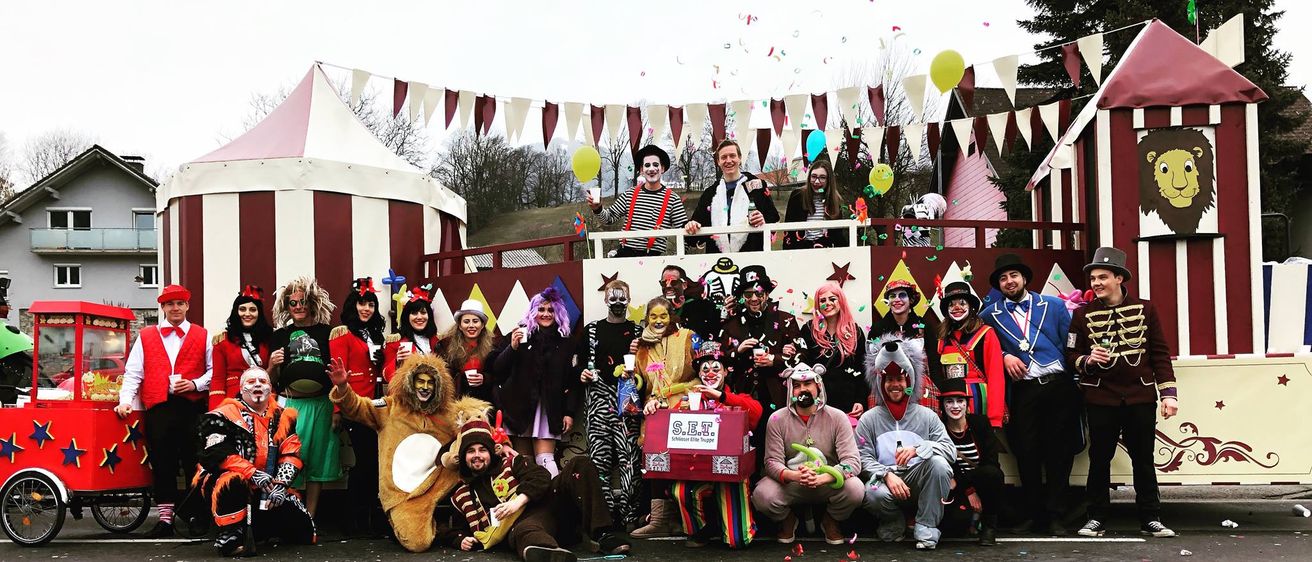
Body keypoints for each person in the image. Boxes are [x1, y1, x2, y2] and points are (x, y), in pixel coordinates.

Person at [1068, 247, 1179, 539]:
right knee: (1099, 458)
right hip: (1100, 397)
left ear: (1119, 278)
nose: (1096, 283)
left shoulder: (1147, 309)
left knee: (1143, 459)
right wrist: (1088, 361)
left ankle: (1151, 517)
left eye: (1102, 277)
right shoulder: (1081, 315)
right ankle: (1096, 518)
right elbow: (1071, 354)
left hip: (1140, 396)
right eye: (1093, 278)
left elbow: (1159, 354)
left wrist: (1169, 393)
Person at [329, 354, 490, 552]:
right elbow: (358, 407)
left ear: (439, 386)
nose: (425, 387)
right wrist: (343, 388)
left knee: (476, 459)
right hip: (405, 494)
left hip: (441, 480)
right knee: (418, 544)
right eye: (420, 381)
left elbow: (478, 423)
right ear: (409, 383)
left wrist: (503, 444)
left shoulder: (447, 413)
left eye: (431, 382)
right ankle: (439, 531)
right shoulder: (390, 408)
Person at [980, 254, 1081, 536]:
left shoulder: (1054, 306)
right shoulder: (989, 315)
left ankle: (1056, 515)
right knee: (1026, 453)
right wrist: (1003, 356)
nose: (1009, 281)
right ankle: (1034, 515)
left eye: (1013, 275)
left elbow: (1069, 346)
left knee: (1059, 453)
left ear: (1024, 278)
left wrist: (1075, 383)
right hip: (1023, 391)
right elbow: (983, 347)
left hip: (1058, 386)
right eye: (1003, 278)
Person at [436, 417, 631, 561]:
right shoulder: (461, 494)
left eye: (482, 450)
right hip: (522, 528)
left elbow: (541, 477)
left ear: (491, 451)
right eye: (470, 451)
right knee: (527, 528)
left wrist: (517, 502)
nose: (477, 455)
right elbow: (451, 528)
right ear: (463, 457)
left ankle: (602, 534)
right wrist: (459, 539)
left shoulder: (512, 462)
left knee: (580, 464)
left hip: (550, 507)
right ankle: (548, 553)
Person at [115, 284, 213, 538]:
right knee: (162, 464)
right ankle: (166, 521)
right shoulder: (146, 335)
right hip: (159, 408)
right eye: (170, 304)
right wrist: (125, 400)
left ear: (187, 306)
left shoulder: (202, 335)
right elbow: (134, 372)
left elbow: (214, 372)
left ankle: (196, 516)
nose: (175, 308)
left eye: (180, 303)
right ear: (163, 308)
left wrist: (194, 384)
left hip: (191, 407)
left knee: (194, 462)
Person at [193, 367, 315, 556]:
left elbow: (291, 453)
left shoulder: (282, 416)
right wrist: (252, 473)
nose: (257, 384)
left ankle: (261, 527)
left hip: (267, 485)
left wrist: (281, 485)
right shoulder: (221, 415)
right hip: (226, 483)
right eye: (251, 382)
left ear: (270, 388)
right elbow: (215, 453)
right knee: (232, 480)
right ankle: (229, 537)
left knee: (305, 533)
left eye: (263, 381)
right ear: (242, 389)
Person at [856, 335, 955, 550]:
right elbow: (862, 457)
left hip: (919, 482)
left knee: (939, 464)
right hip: (888, 485)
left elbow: (949, 450)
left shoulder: (927, 416)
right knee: (873, 491)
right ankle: (894, 522)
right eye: (889, 380)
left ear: (909, 382)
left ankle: (926, 526)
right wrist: (886, 474)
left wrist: (919, 449)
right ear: (881, 383)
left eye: (900, 379)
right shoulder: (869, 418)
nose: (895, 385)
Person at [751, 363, 864, 545]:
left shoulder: (837, 417)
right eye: (796, 385)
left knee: (856, 489)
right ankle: (788, 520)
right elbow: (771, 461)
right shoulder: (776, 419)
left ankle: (830, 520)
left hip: (828, 482)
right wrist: (794, 475)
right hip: (792, 482)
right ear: (790, 391)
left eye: (807, 384)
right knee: (762, 495)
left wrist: (826, 477)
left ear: (818, 386)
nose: (802, 389)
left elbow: (852, 461)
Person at [669, 341, 763, 549]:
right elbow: (670, 422)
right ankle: (701, 530)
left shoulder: (738, 398)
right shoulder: (690, 400)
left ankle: (733, 527)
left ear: (725, 372)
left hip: (730, 473)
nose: (710, 373)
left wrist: (722, 397)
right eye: (705, 369)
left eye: (715, 368)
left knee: (738, 542)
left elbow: (756, 412)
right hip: (698, 472)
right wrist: (654, 405)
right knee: (680, 490)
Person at [268, 276, 338, 517]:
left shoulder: (328, 333)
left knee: (317, 461)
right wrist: (271, 365)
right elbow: (271, 379)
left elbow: (337, 372)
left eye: (303, 301)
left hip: (321, 404)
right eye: (292, 303)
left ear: (312, 303)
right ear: (286, 306)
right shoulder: (279, 335)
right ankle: (291, 514)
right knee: (289, 457)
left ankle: (310, 517)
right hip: (290, 404)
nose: (298, 307)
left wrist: (338, 409)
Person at [575, 280, 642, 528]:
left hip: (628, 399)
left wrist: (641, 351)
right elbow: (578, 365)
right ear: (605, 300)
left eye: (622, 298)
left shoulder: (639, 332)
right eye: (612, 298)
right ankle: (602, 517)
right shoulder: (591, 331)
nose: (617, 303)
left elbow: (651, 368)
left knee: (630, 460)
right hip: (598, 399)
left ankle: (630, 516)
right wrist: (581, 374)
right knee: (598, 460)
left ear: (629, 299)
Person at [630, 295, 696, 538]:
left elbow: (703, 371)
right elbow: (640, 383)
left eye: (663, 316)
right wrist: (629, 374)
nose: (658, 321)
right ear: (647, 318)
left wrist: (685, 395)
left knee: (684, 461)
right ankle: (658, 520)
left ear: (671, 317)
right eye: (653, 316)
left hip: (686, 405)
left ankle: (686, 519)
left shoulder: (688, 337)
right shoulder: (641, 347)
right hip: (654, 410)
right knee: (656, 460)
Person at [494, 287, 577, 477]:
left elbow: (572, 382)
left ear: (558, 313)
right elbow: (498, 370)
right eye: (541, 310)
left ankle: (555, 500)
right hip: (519, 407)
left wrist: (569, 412)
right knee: (523, 462)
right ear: (533, 312)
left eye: (550, 310)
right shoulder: (519, 335)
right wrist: (512, 348)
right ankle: (527, 503)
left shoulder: (567, 342)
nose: (545, 314)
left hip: (549, 408)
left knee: (545, 459)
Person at [330, 277, 387, 536]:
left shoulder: (376, 334)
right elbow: (337, 374)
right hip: (355, 405)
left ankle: (370, 517)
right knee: (365, 463)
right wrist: (338, 410)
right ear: (353, 305)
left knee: (374, 462)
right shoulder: (343, 333)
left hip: (378, 406)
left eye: (371, 305)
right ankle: (354, 519)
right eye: (362, 304)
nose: (367, 309)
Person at [720, 266, 799, 446]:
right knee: (745, 450)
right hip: (743, 397)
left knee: (780, 450)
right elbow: (719, 359)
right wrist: (737, 351)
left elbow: (802, 356)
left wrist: (775, 360)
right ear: (742, 297)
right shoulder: (731, 324)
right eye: (748, 294)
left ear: (767, 293)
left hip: (778, 397)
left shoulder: (785, 320)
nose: (754, 298)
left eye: (759, 292)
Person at [589, 144, 690, 258]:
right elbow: (608, 219)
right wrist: (597, 208)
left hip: (653, 258)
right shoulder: (630, 194)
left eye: (655, 165)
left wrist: (680, 259)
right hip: (625, 255)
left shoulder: (673, 199)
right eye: (647, 165)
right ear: (642, 170)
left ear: (662, 168)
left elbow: (684, 232)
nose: (651, 169)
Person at [937, 377, 1003, 546]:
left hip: (977, 483)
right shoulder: (939, 428)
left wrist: (967, 485)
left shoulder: (980, 423)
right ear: (943, 405)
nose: (955, 406)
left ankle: (989, 527)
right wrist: (968, 490)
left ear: (967, 404)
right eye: (949, 401)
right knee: (955, 527)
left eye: (960, 401)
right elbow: (947, 466)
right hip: (957, 489)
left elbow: (991, 463)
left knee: (993, 474)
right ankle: (972, 520)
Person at [685, 139, 780, 252]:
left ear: (739, 158)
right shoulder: (709, 194)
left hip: (752, 257)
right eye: (724, 157)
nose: (728, 160)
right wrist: (691, 225)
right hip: (718, 262)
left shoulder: (758, 186)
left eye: (732, 156)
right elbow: (696, 228)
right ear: (718, 162)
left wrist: (763, 221)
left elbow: (774, 219)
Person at [936, 281, 1006, 428]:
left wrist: (994, 419)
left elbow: (996, 377)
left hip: (979, 405)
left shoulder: (986, 334)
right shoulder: (942, 339)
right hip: (951, 409)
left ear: (971, 307)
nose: (956, 308)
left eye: (962, 303)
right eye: (951, 304)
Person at [796, 281, 869, 419]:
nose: (827, 303)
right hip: (817, 403)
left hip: (848, 403)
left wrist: (860, 400)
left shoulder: (855, 332)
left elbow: (862, 369)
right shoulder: (808, 330)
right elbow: (803, 366)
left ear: (840, 301)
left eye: (832, 299)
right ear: (818, 305)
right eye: (822, 300)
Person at [870, 279, 943, 411]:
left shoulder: (924, 326)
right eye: (892, 296)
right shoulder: (877, 329)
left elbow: (934, 362)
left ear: (911, 300)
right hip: (887, 388)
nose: (897, 299)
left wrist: (937, 389)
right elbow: (871, 364)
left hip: (921, 389)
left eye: (902, 295)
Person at [208, 285, 273, 409]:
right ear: (236, 312)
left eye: (252, 310)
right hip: (233, 401)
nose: (247, 314)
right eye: (242, 309)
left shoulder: (268, 338)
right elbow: (218, 379)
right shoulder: (222, 340)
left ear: (259, 313)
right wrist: (216, 411)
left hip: (263, 400)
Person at [438, 299, 499, 404]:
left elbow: (498, 374)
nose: (471, 325)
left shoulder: (493, 347)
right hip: (456, 401)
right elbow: (441, 375)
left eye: (475, 321)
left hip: (483, 401)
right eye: (466, 321)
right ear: (460, 326)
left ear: (482, 325)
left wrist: (484, 379)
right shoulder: (445, 346)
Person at [783, 159, 848, 249]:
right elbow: (788, 229)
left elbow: (837, 234)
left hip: (826, 249)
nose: (817, 181)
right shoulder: (798, 195)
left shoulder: (834, 199)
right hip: (801, 249)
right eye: (814, 176)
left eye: (822, 177)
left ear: (829, 180)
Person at [383, 284, 438, 381]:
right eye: (414, 313)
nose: (419, 317)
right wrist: (397, 361)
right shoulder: (394, 342)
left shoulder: (436, 341)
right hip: (405, 394)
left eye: (423, 312)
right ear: (407, 317)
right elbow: (387, 377)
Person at [660, 265, 721, 342]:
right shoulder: (657, 307)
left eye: (674, 282)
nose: (668, 286)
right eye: (663, 283)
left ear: (684, 285)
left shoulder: (703, 307)